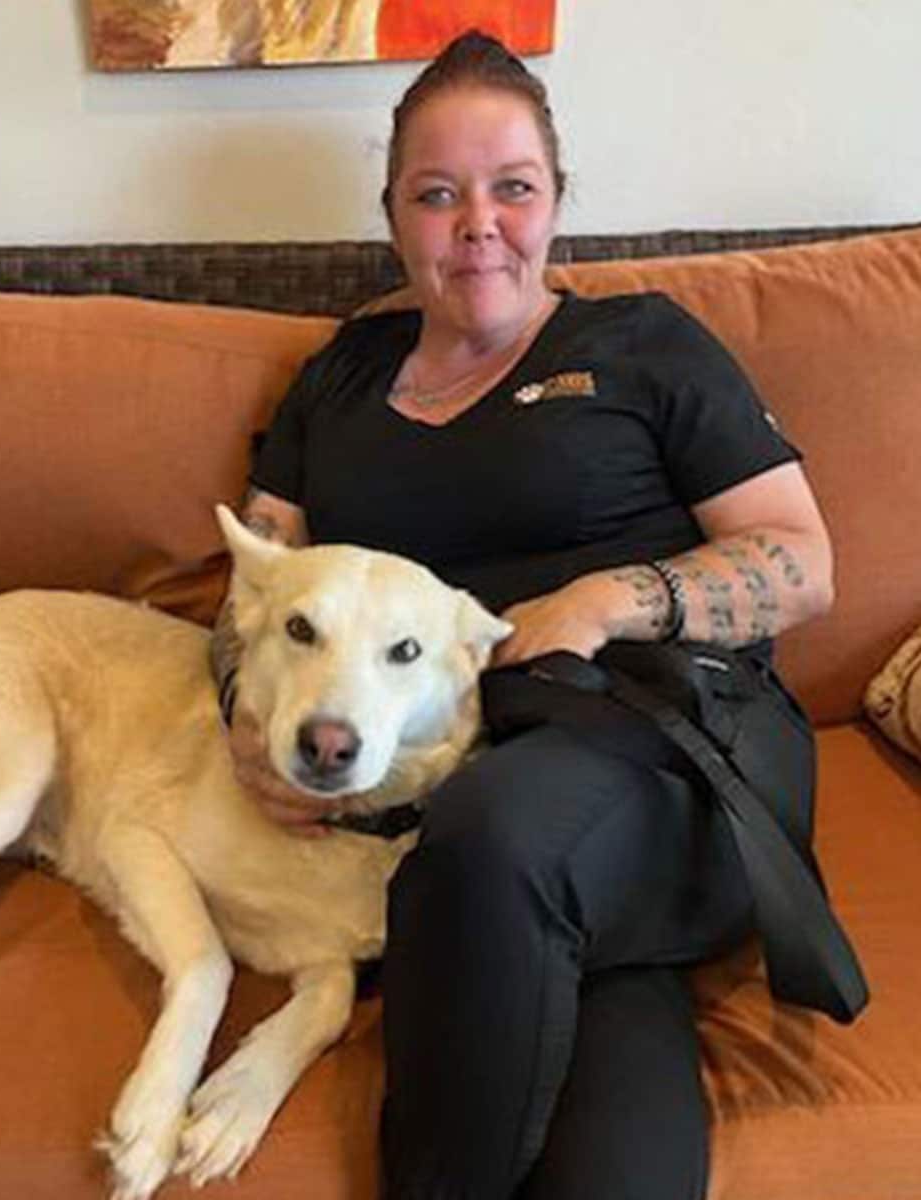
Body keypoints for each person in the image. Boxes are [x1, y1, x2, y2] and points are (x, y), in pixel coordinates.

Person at [211, 30, 845, 1200]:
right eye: (437, 194)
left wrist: (605, 601)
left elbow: (801, 563)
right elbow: (253, 581)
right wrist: (245, 726)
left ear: (558, 201)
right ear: (392, 211)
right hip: (478, 797)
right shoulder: (341, 375)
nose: (476, 224)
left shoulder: (644, 344)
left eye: (512, 188)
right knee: (603, 1116)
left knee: (495, 835)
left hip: (663, 744)